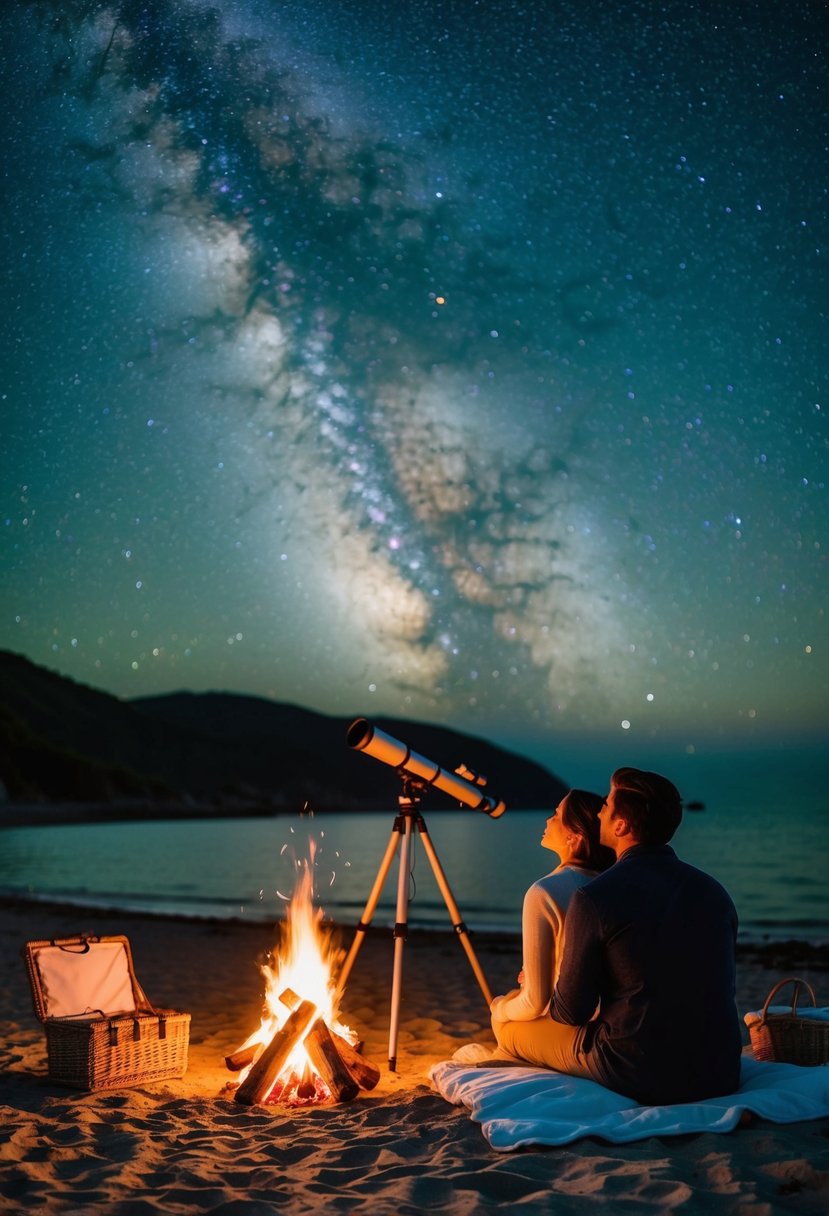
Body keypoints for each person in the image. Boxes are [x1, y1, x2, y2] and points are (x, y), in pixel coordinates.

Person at [493, 767, 743, 1106]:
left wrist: (541, 987)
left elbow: (571, 1013)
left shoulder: (597, 897)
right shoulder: (715, 892)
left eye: (607, 806)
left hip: (637, 1069)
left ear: (622, 825)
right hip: (721, 1070)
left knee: (508, 1028)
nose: (599, 812)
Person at [490, 789, 614, 1031]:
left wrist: (499, 1008)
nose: (548, 820)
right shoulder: (611, 885)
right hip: (610, 1018)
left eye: (556, 815)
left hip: (573, 1025)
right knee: (517, 992)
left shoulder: (544, 892)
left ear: (574, 837)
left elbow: (535, 1003)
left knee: (502, 1020)